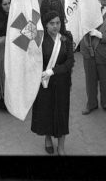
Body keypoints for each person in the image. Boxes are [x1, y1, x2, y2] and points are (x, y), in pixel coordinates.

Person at [30, 9, 74, 156]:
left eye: (58, 23)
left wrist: (53, 71)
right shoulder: (40, 38)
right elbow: (34, 60)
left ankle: (61, 146)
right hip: (44, 84)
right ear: (45, 25)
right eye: (52, 23)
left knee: (62, 113)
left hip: (62, 83)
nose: (56, 26)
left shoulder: (66, 37)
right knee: (46, 111)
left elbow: (70, 62)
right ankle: (48, 138)